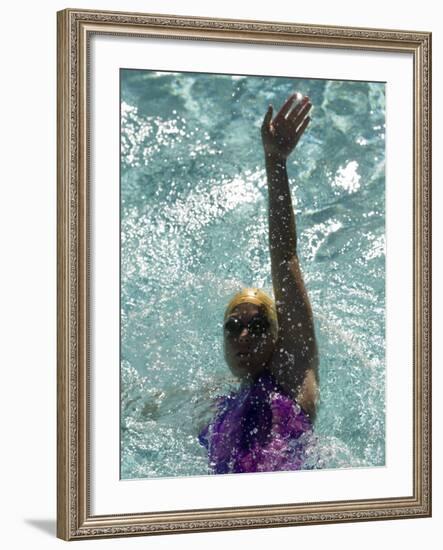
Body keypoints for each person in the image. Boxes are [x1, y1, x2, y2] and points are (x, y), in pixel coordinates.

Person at [199, 93, 319, 474]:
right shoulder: (219, 405)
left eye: (258, 325)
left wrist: (275, 161)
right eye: (234, 326)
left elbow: (284, 255)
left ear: (277, 334)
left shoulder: (292, 378)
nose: (245, 335)